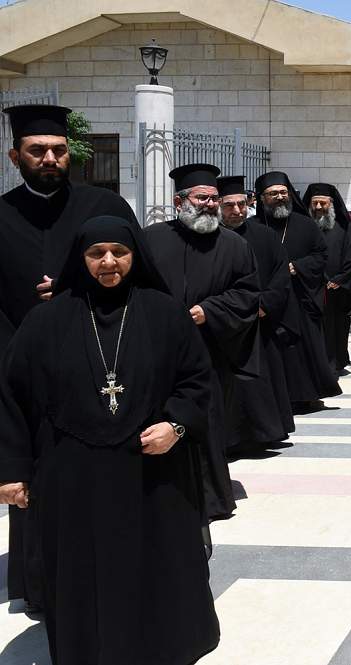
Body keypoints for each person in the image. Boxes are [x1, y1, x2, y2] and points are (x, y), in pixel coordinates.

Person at [0, 215, 221, 664]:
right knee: (82, 572)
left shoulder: (165, 313)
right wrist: (11, 470)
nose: (108, 262)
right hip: (72, 474)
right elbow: (10, 397)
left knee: (156, 565)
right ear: (79, 259)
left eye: (119, 252)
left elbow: (198, 381)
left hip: (152, 471)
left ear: (135, 256)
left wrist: (176, 425)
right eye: (96, 253)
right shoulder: (46, 321)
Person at [0, 104, 142, 610]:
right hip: (22, 374)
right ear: (15, 156)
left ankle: (110, 579)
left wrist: (71, 294)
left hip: (100, 367)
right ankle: (41, 585)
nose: (50, 159)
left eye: (59, 150)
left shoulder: (104, 207)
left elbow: (138, 278)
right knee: (34, 482)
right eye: (37, 150)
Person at [145, 164, 259, 521]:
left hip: (210, 349)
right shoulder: (151, 239)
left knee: (206, 422)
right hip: (158, 351)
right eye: (202, 198)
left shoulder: (235, 245)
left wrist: (209, 310)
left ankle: (209, 498)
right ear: (179, 201)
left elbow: (247, 293)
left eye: (213, 199)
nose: (210, 205)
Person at [217, 175, 295, 452]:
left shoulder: (265, 235)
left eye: (241, 204)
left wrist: (264, 305)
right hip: (223, 324)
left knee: (261, 382)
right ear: (218, 206)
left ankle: (263, 433)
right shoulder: (211, 238)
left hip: (260, 321)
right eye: (229, 206)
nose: (237, 211)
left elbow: (280, 276)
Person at [254, 172, 340, 407]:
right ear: (262, 198)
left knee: (300, 350)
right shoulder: (252, 227)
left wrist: (298, 267)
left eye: (283, 192)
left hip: (299, 298)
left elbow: (321, 254)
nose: (280, 197)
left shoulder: (305, 224)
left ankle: (304, 396)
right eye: (273, 193)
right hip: (267, 300)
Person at [304, 182, 351, 373]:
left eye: (323, 203)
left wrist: (340, 279)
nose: (318, 207)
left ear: (331, 204)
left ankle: (335, 363)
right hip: (310, 289)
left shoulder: (344, 228)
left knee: (336, 328)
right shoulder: (304, 227)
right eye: (315, 203)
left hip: (337, 290)